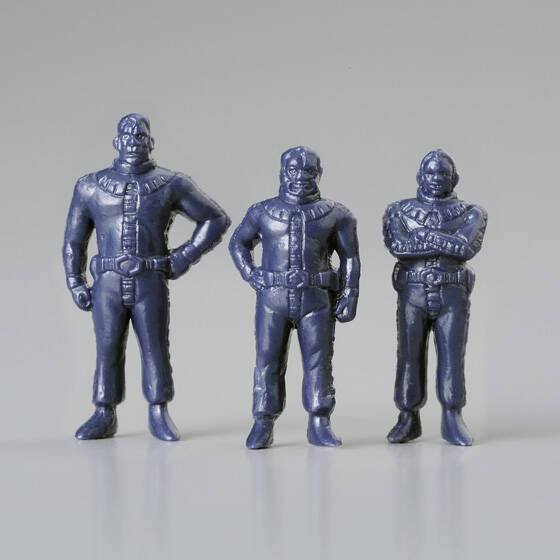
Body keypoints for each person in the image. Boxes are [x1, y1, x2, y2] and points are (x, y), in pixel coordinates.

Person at [63, 113, 230, 441]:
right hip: (108, 282)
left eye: (140, 136)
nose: (133, 141)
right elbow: (73, 240)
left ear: (151, 142)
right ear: (116, 142)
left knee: (155, 346)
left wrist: (183, 257)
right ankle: (103, 412)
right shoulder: (90, 186)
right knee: (107, 347)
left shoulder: (171, 183)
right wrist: (75, 281)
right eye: (127, 136)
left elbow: (215, 218)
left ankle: (158, 410)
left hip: (149, 280)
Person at [229, 146, 360, 448]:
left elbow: (350, 257)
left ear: (319, 174)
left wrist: (350, 293)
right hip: (272, 300)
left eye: (308, 170)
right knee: (267, 359)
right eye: (293, 170)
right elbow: (238, 243)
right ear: (282, 173)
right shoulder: (262, 211)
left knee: (319, 361)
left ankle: (319, 421)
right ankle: (263, 421)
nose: (300, 176)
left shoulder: (336, 214)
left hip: (317, 299)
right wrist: (250, 273)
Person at [383, 149, 487, 445]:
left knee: (453, 356)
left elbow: (466, 249)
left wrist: (424, 235)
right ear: (419, 176)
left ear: (454, 178)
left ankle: (452, 416)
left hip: (452, 292)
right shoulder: (398, 210)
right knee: (408, 355)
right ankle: (407, 416)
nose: (436, 178)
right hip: (412, 292)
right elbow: (399, 247)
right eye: (430, 172)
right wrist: (446, 242)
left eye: (443, 172)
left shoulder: (472, 212)